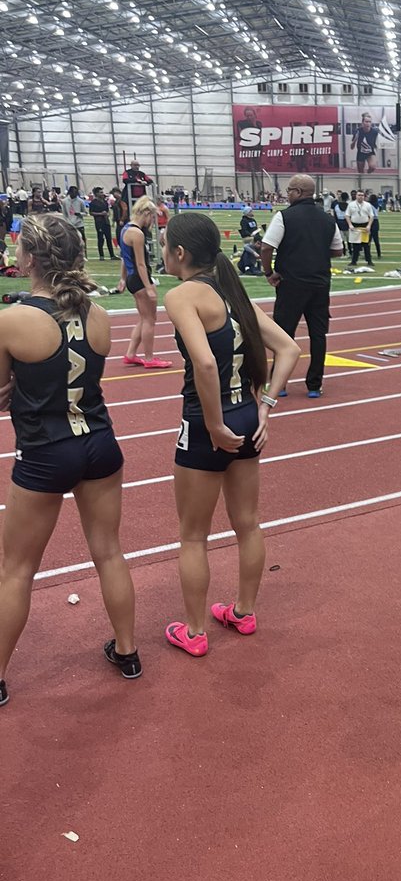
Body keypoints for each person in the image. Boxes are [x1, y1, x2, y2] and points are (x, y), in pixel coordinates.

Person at [0, 214, 141, 707]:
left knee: (16, 570)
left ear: (32, 259)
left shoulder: (14, 318)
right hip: (100, 443)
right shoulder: (99, 314)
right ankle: (127, 652)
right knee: (109, 552)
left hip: (45, 451)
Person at [161, 213, 301, 657]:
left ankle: (196, 631)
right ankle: (243, 611)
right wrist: (266, 407)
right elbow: (290, 348)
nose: (161, 252)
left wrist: (214, 425)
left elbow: (203, 364)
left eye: (164, 245)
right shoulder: (234, 293)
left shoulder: (182, 295)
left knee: (193, 536)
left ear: (180, 253)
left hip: (210, 425)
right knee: (247, 523)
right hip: (246, 417)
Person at [260, 174, 344, 399]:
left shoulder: (284, 217)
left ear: (298, 192)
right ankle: (314, 385)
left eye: (289, 190)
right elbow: (338, 250)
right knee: (318, 335)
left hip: (291, 284)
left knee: (283, 335)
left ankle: (280, 383)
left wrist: (269, 272)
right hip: (319, 284)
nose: (287, 194)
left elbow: (267, 247)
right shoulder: (327, 219)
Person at [120, 195, 172, 369]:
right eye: (152, 217)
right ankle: (149, 358)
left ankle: (131, 353)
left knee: (143, 318)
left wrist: (122, 278)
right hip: (140, 279)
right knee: (150, 319)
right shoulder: (137, 233)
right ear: (146, 213)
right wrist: (149, 287)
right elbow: (141, 264)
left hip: (132, 279)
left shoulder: (125, 229)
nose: (152, 221)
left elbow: (124, 258)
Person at [346, 190, 374, 270]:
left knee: (366, 245)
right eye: (359, 195)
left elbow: (371, 216)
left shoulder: (368, 205)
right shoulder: (351, 205)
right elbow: (347, 215)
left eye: (362, 195)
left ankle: (369, 261)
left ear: (364, 196)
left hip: (365, 226)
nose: (360, 196)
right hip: (355, 226)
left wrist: (369, 226)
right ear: (356, 196)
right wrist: (350, 225)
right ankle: (354, 261)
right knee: (355, 245)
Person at [88, 187, 115, 261]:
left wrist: (107, 214)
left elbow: (107, 210)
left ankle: (112, 255)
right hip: (99, 222)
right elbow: (91, 213)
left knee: (109, 238)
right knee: (100, 239)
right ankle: (101, 255)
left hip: (106, 221)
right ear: (96, 193)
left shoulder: (104, 201)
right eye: (100, 192)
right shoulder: (93, 202)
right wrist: (100, 214)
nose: (102, 194)